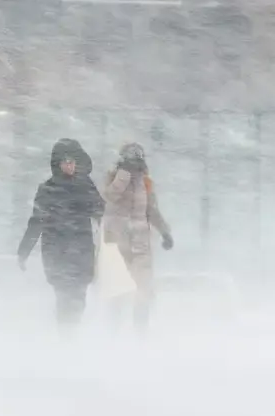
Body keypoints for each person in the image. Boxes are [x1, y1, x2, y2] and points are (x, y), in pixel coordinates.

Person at [17, 138, 106, 328]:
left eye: (73, 161)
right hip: (57, 253)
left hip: (81, 252)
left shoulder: (85, 186)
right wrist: (23, 251)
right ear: (58, 164)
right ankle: (66, 339)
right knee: (64, 299)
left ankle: (70, 335)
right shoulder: (47, 190)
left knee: (79, 300)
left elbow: (101, 212)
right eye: (66, 161)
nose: (70, 165)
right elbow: (36, 222)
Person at [102, 142, 173, 332]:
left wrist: (165, 231)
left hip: (141, 244)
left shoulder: (146, 182)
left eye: (138, 158)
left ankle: (141, 332)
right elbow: (110, 196)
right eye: (131, 158)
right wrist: (124, 175)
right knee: (118, 289)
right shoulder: (114, 177)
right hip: (119, 242)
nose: (135, 162)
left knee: (144, 290)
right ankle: (113, 331)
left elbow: (152, 210)